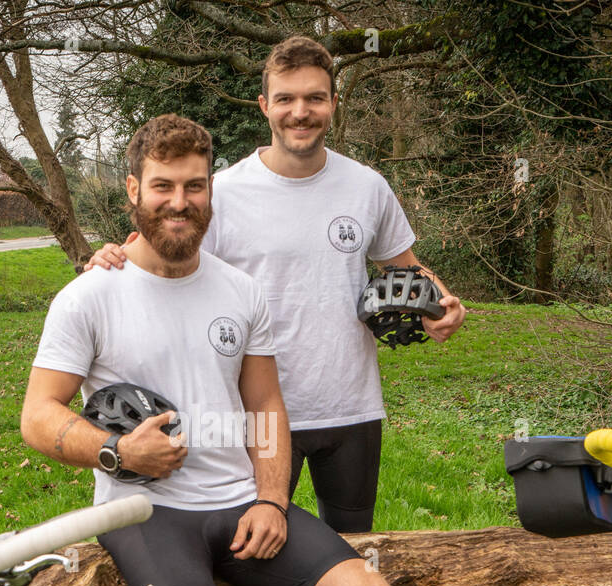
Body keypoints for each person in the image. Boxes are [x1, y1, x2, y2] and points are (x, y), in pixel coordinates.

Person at [21, 113, 443, 586]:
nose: (178, 201)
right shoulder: (89, 295)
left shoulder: (241, 290)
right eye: (162, 186)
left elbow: (268, 409)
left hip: (238, 503)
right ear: (132, 191)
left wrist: (272, 498)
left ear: (209, 189)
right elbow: (38, 416)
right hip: (141, 508)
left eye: (192, 185)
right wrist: (117, 450)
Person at [86, 35, 467, 533]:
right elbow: (162, 255)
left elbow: (409, 267)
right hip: (253, 411)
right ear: (265, 106)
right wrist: (109, 255)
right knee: (252, 548)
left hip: (349, 405)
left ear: (334, 102)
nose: (300, 112)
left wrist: (442, 300)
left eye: (314, 97)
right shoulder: (223, 192)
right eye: (286, 99)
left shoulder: (367, 186)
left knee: (354, 544)